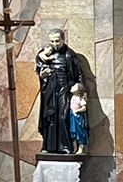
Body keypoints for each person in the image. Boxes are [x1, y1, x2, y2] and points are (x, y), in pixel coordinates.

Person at [35, 26, 81, 154]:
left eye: (57, 41)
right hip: (49, 90)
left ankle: (65, 146)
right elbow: (39, 68)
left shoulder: (69, 55)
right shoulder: (45, 52)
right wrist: (42, 74)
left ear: (63, 40)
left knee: (63, 116)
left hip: (64, 89)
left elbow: (79, 74)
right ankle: (48, 146)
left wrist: (79, 87)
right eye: (52, 41)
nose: (55, 44)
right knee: (50, 117)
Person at [68, 80, 89, 155]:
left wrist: (77, 111)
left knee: (80, 132)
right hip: (72, 116)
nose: (72, 87)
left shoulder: (80, 98)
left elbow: (84, 108)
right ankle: (75, 148)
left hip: (78, 117)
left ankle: (80, 148)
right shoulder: (72, 97)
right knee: (73, 132)